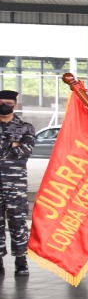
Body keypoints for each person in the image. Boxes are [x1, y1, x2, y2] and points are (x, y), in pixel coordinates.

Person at [0, 89, 36, 278]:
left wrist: (15, 147)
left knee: (18, 223)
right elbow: (17, 148)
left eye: (8, 102)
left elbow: (25, 151)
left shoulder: (25, 127)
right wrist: (12, 144)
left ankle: (21, 261)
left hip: (16, 185)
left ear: (15, 104)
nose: (5, 105)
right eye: (1, 101)